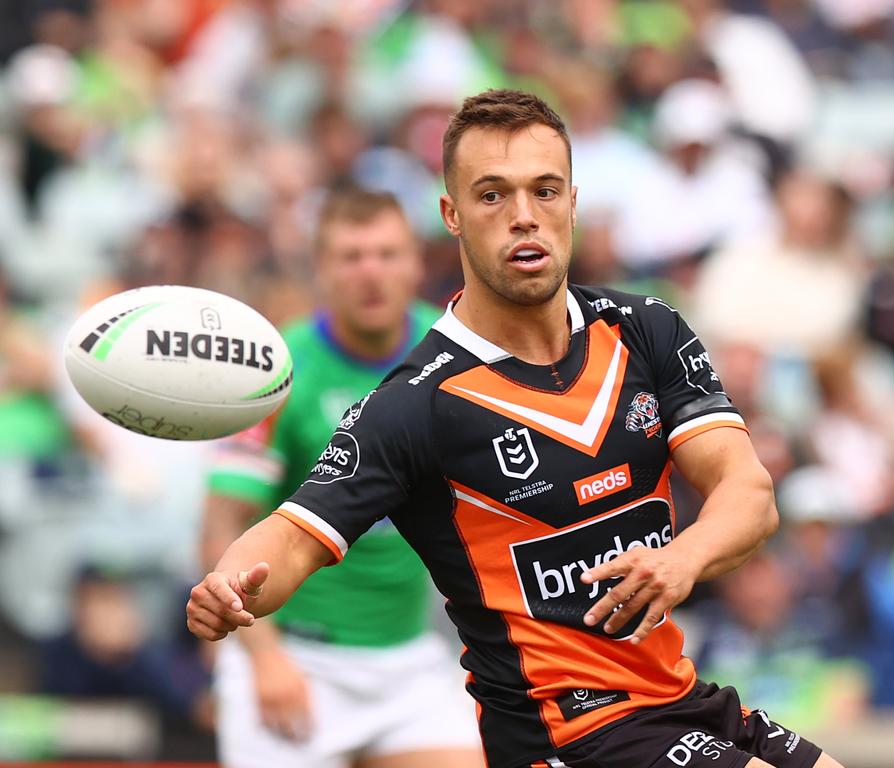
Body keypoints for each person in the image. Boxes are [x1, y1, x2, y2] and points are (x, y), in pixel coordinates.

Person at [187, 89, 845, 768]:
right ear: (453, 215)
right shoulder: (415, 402)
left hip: (675, 697)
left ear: (574, 203)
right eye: (493, 195)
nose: (524, 217)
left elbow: (749, 493)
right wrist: (231, 586)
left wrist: (681, 559)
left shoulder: (648, 329)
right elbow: (292, 538)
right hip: (566, 736)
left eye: (546, 190)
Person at [199, 187, 483, 768]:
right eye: (352, 257)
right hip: (295, 657)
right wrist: (264, 659)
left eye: (386, 254)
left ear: (415, 263)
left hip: (409, 662)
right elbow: (220, 527)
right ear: (322, 269)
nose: (371, 273)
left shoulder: (459, 353)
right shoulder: (273, 372)